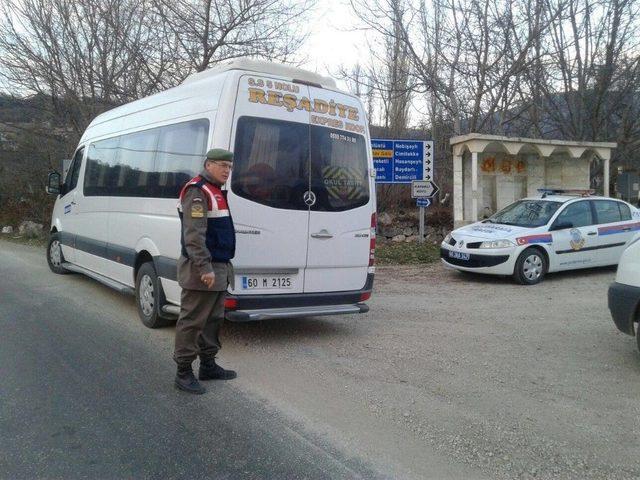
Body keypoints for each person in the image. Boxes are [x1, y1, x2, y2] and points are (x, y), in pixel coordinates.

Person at [174, 148, 237, 394]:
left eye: (229, 167)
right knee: (192, 322)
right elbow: (194, 236)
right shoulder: (197, 191)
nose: (226, 171)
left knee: (212, 321)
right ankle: (183, 372)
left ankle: (208, 365)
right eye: (222, 165)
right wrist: (205, 268)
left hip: (218, 268)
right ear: (208, 165)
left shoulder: (215, 191)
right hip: (202, 270)